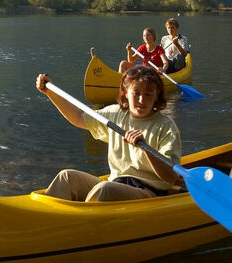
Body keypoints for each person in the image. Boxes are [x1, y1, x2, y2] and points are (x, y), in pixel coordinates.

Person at [36, 66, 181, 202]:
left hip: (148, 191)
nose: (141, 100)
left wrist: (146, 149)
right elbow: (79, 118)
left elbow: (171, 177)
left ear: (156, 96)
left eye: (148, 94)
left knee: (104, 189)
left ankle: (80, 224)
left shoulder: (166, 126)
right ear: (126, 93)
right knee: (66, 177)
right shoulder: (115, 114)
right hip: (117, 183)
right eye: (136, 93)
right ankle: (43, 220)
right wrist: (50, 93)